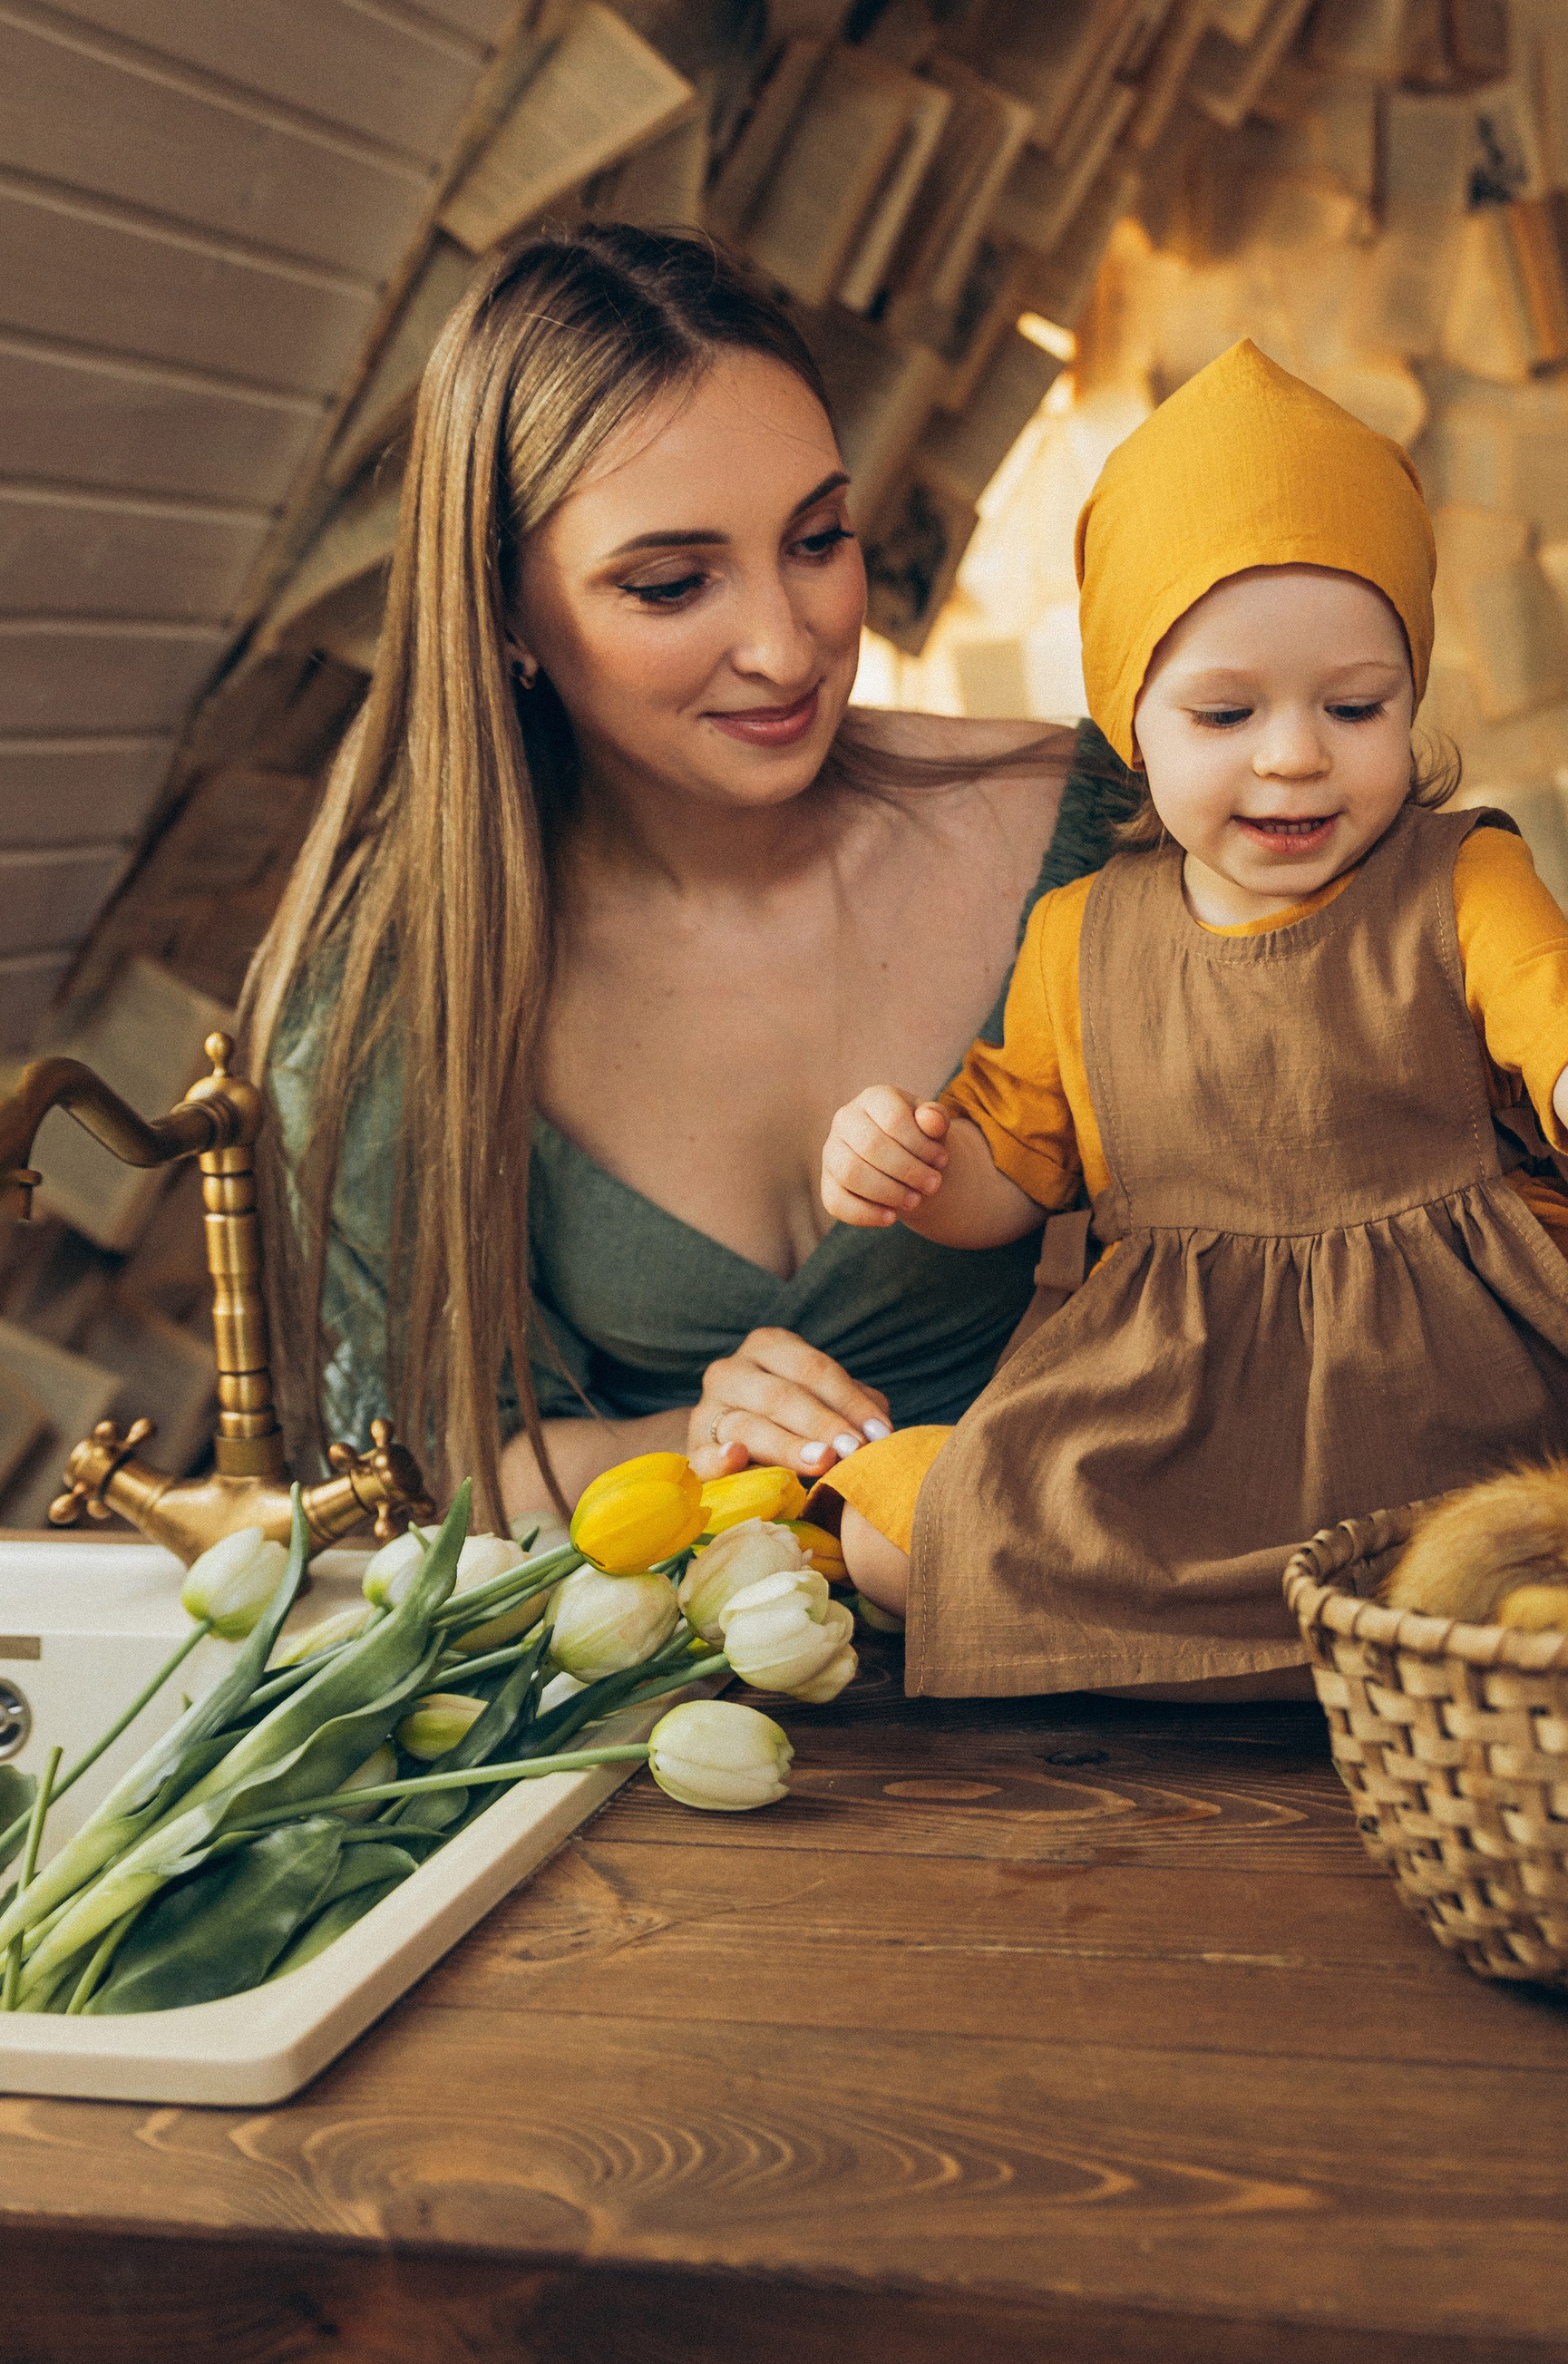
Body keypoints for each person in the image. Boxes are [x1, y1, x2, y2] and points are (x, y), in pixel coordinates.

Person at [816, 340, 1568, 1699]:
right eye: (1225, 711)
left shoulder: (1458, 881)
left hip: (1469, 1396)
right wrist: (911, 1165)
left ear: (1412, 694)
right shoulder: (1083, 938)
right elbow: (1011, 1178)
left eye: (1355, 705)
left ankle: (1424, 1614)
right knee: (894, 1544)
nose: (1295, 752)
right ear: (1133, 722)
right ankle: (1369, 1639)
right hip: (1186, 1419)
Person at [246, 227, 1127, 1532]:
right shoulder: (392, 996)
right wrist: (689, 1439)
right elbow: (434, 1474)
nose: (785, 647)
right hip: (683, 1712)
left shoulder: (1095, 829)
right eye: (671, 584)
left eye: (818, 540)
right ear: (501, 613)